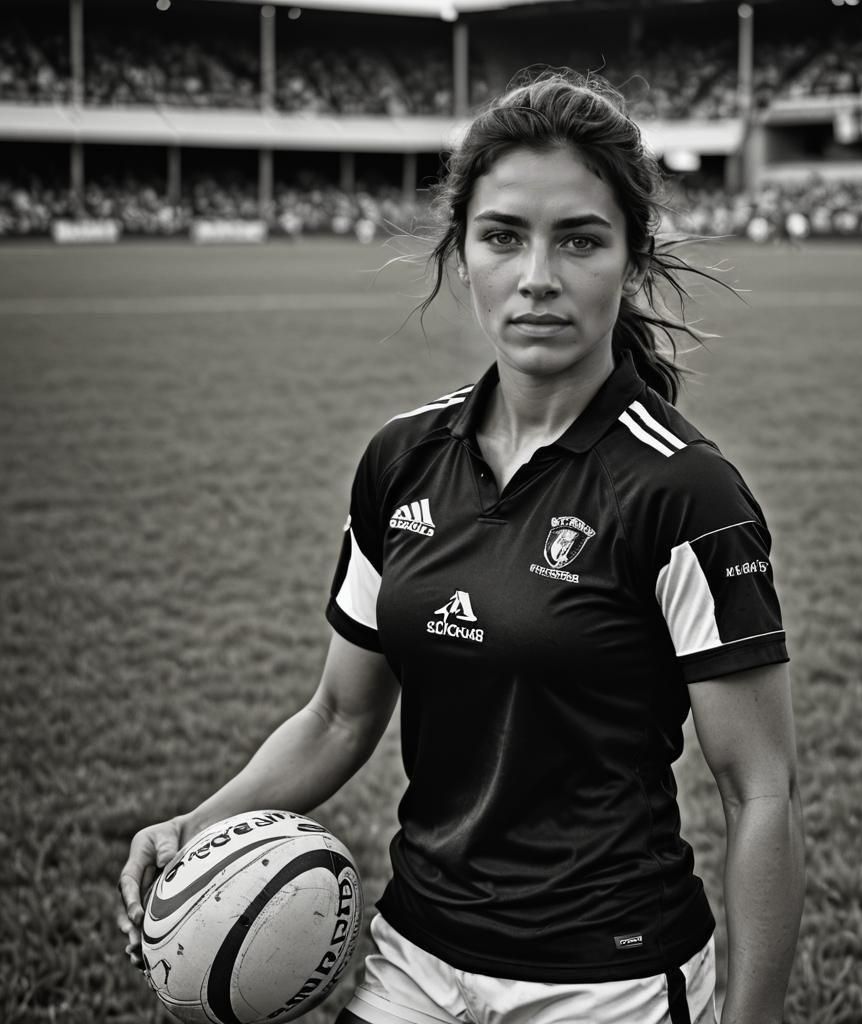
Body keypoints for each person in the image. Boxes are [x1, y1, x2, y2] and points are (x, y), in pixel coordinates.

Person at [118, 70, 805, 1024]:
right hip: (413, 959)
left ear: (631, 259)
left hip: (606, 980)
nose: (538, 277)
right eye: (503, 236)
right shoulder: (401, 459)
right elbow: (337, 717)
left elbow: (758, 790)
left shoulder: (685, 492)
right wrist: (202, 822)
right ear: (463, 250)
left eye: (580, 240)